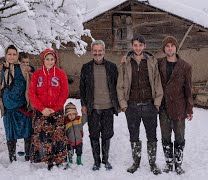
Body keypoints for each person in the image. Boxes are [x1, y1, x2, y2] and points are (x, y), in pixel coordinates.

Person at [117, 34, 163, 175]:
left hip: (149, 105)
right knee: (134, 135)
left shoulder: (151, 61)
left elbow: (157, 82)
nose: (138, 48)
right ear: (132, 45)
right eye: (135, 45)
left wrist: (156, 103)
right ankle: (135, 162)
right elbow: (120, 85)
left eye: (140, 45)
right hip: (132, 106)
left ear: (144, 46)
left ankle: (152, 163)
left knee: (152, 135)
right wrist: (123, 104)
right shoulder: (125, 62)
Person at [80, 40, 119, 171]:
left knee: (107, 134)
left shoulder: (112, 67)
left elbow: (117, 85)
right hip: (93, 108)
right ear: (92, 52)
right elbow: (82, 88)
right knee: (94, 134)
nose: (97, 53)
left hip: (108, 107)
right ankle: (96, 161)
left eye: (100, 51)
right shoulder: (86, 67)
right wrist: (84, 104)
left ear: (104, 51)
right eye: (95, 51)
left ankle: (105, 160)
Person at [157, 36, 193, 175]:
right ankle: (168, 163)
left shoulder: (185, 66)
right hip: (163, 108)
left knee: (179, 137)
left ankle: (178, 164)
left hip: (179, 107)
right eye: (167, 46)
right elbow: (143, 58)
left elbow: (188, 89)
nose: (170, 48)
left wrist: (189, 109)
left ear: (176, 47)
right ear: (164, 49)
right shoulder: (159, 63)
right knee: (165, 137)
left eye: (172, 45)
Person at [28, 48, 69, 170]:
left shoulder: (61, 73)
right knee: (42, 136)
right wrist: (42, 108)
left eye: (52, 59)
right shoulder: (37, 75)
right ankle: (44, 160)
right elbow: (32, 93)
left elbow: (64, 92)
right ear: (43, 60)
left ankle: (59, 160)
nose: (50, 61)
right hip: (41, 112)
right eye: (47, 59)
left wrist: (55, 108)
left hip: (56, 112)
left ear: (55, 60)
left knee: (57, 136)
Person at [0, 45, 32, 163]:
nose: (11, 56)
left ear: (17, 56)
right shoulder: (0, 70)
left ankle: (28, 157)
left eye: (14, 54)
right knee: (10, 135)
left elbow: (31, 79)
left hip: (22, 107)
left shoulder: (23, 68)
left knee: (27, 133)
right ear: (5, 55)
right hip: (8, 108)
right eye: (9, 54)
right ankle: (12, 157)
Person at [64, 102, 87, 166]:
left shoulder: (79, 120)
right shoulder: (65, 123)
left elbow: (85, 118)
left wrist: (84, 113)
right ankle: (70, 161)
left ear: (75, 113)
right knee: (70, 152)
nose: (71, 116)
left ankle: (79, 161)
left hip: (79, 140)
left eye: (73, 114)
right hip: (70, 142)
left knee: (79, 152)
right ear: (66, 115)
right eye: (69, 114)